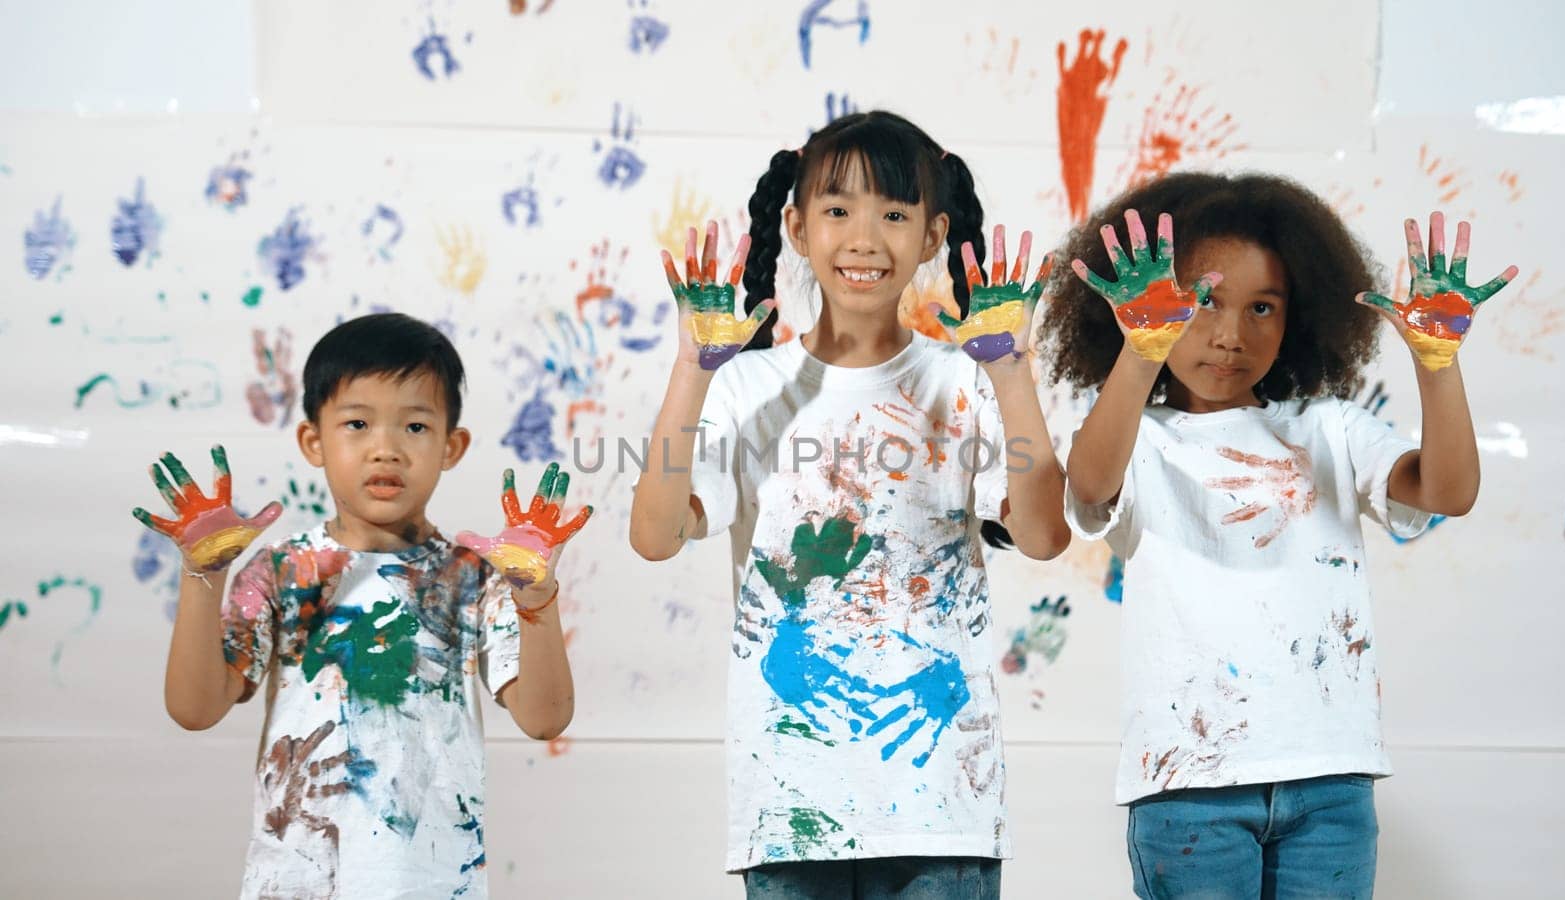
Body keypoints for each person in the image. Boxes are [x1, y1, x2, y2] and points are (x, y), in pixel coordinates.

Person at [1037, 172, 1516, 899]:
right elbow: (1090, 485)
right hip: (1189, 786)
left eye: (1263, 307)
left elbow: (1449, 490)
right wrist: (1142, 350)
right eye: (1202, 303)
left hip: (1330, 782)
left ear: (1299, 317)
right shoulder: (1138, 439)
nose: (1231, 335)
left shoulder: (1328, 428)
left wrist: (1437, 364)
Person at [630, 110, 1069, 899]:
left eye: (894, 215)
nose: (865, 239)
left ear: (934, 235)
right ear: (796, 228)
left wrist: (1013, 371)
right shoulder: (745, 386)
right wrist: (691, 369)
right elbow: (656, 537)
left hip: (941, 804)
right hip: (791, 801)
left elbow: (1040, 534)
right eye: (838, 211)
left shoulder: (966, 380)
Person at [134, 312, 591, 898]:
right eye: (357, 423)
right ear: (313, 441)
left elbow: (544, 717)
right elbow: (194, 709)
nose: (386, 449)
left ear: (453, 445)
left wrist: (536, 600)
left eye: (416, 428)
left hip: (432, 882)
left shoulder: (472, 579)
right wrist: (202, 577)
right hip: (297, 882)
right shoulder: (281, 573)